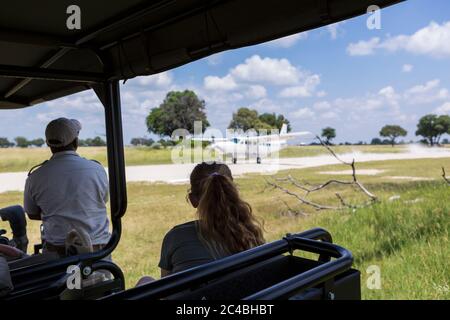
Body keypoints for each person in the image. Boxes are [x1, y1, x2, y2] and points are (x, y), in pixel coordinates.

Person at [23, 118, 110, 257]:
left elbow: (32, 213)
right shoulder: (97, 169)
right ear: (76, 142)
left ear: (49, 144)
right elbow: (102, 201)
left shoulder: (35, 176)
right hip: (97, 250)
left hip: (56, 252)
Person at [160, 162, 265, 277]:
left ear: (192, 200)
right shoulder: (250, 235)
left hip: (200, 295)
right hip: (246, 294)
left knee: (146, 280)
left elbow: (165, 287)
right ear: (234, 194)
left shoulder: (176, 236)